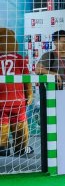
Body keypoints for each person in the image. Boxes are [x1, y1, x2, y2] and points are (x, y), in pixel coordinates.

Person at [0, 28, 33, 156]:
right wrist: (29, 94)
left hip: (1, 101)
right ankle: (20, 148)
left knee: (2, 123)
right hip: (18, 100)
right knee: (20, 125)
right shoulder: (19, 58)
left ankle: (3, 147)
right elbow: (27, 78)